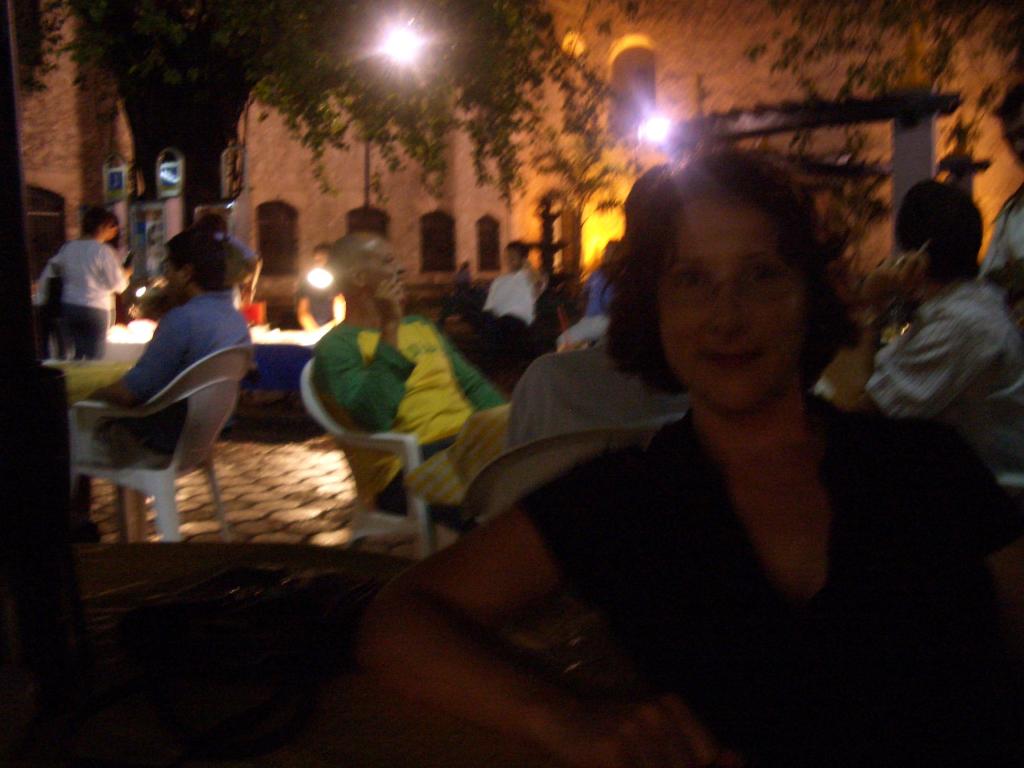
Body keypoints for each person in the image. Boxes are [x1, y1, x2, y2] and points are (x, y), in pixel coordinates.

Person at [356, 152, 1024, 768]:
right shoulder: (622, 500)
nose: (726, 317)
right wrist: (565, 720)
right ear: (655, 307)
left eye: (762, 275)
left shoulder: (926, 467)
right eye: (692, 280)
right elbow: (399, 617)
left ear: (810, 294)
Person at [312, 232, 505, 516]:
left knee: (546, 440)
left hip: (469, 445)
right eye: (388, 261)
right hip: (409, 467)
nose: (401, 268)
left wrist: (514, 425)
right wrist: (389, 328)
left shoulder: (420, 327)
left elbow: (474, 387)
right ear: (359, 278)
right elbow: (373, 415)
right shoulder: (336, 347)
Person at [855, 180, 1024, 478]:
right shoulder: (974, 301)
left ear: (917, 253)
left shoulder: (959, 325)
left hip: (993, 495)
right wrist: (883, 304)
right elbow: (890, 357)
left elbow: (860, 415)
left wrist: (868, 301)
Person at [87, 225, 253, 452]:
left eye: (167, 267)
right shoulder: (235, 319)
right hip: (207, 433)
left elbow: (130, 393)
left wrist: (83, 394)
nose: (164, 276)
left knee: (81, 417)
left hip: (167, 435)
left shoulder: (182, 320)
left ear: (186, 273)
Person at [36, 206, 129, 359]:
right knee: (95, 356)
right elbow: (118, 285)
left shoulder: (68, 248)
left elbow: (51, 271)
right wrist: (126, 274)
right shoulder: (102, 251)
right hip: (96, 308)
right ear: (101, 226)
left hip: (70, 306)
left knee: (76, 355)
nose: (115, 230)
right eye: (111, 226)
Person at [979, 83, 1024, 277]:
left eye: (1023, 133)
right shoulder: (1011, 212)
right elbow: (990, 276)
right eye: (1011, 139)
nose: (1019, 147)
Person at [480, 241, 541, 356]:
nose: (508, 260)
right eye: (506, 256)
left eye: (513, 256)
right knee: (485, 318)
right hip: (497, 322)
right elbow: (489, 306)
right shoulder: (499, 281)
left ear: (523, 259)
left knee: (504, 325)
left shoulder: (529, 278)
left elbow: (539, 285)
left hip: (518, 323)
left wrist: (528, 266)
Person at [296, 242, 345, 331]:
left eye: (326, 261)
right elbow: (303, 312)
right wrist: (315, 332)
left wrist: (329, 333)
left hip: (334, 331)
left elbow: (340, 315)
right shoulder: (307, 281)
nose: (322, 264)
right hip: (312, 331)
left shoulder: (339, 281)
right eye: (318, 260)